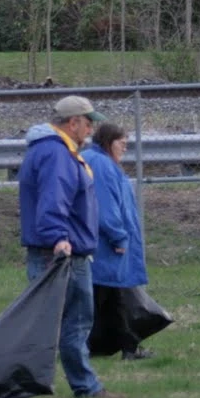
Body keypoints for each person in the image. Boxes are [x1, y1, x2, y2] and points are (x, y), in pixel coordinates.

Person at [17, 95, 122, 398]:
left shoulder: (47, 149)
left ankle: (25, 383)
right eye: (88, 123)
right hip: (64, 252)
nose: (91, 130)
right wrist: (58, 238)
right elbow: (54, 198)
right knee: (74, 322)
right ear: (73, 122)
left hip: (55, 249)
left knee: (48, 322)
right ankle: (85, 387)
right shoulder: (57, 153)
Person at [82, 122, 154, 360]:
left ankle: (121, 347)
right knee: (110, 297)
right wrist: (119, 237)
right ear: (108, 142)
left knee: (111, 297)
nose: (125, 148)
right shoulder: (102, 165)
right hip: (106, 245)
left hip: (101, 243)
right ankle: (119, 347)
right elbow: (106, 207)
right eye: (121, 143)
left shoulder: (97, 160)